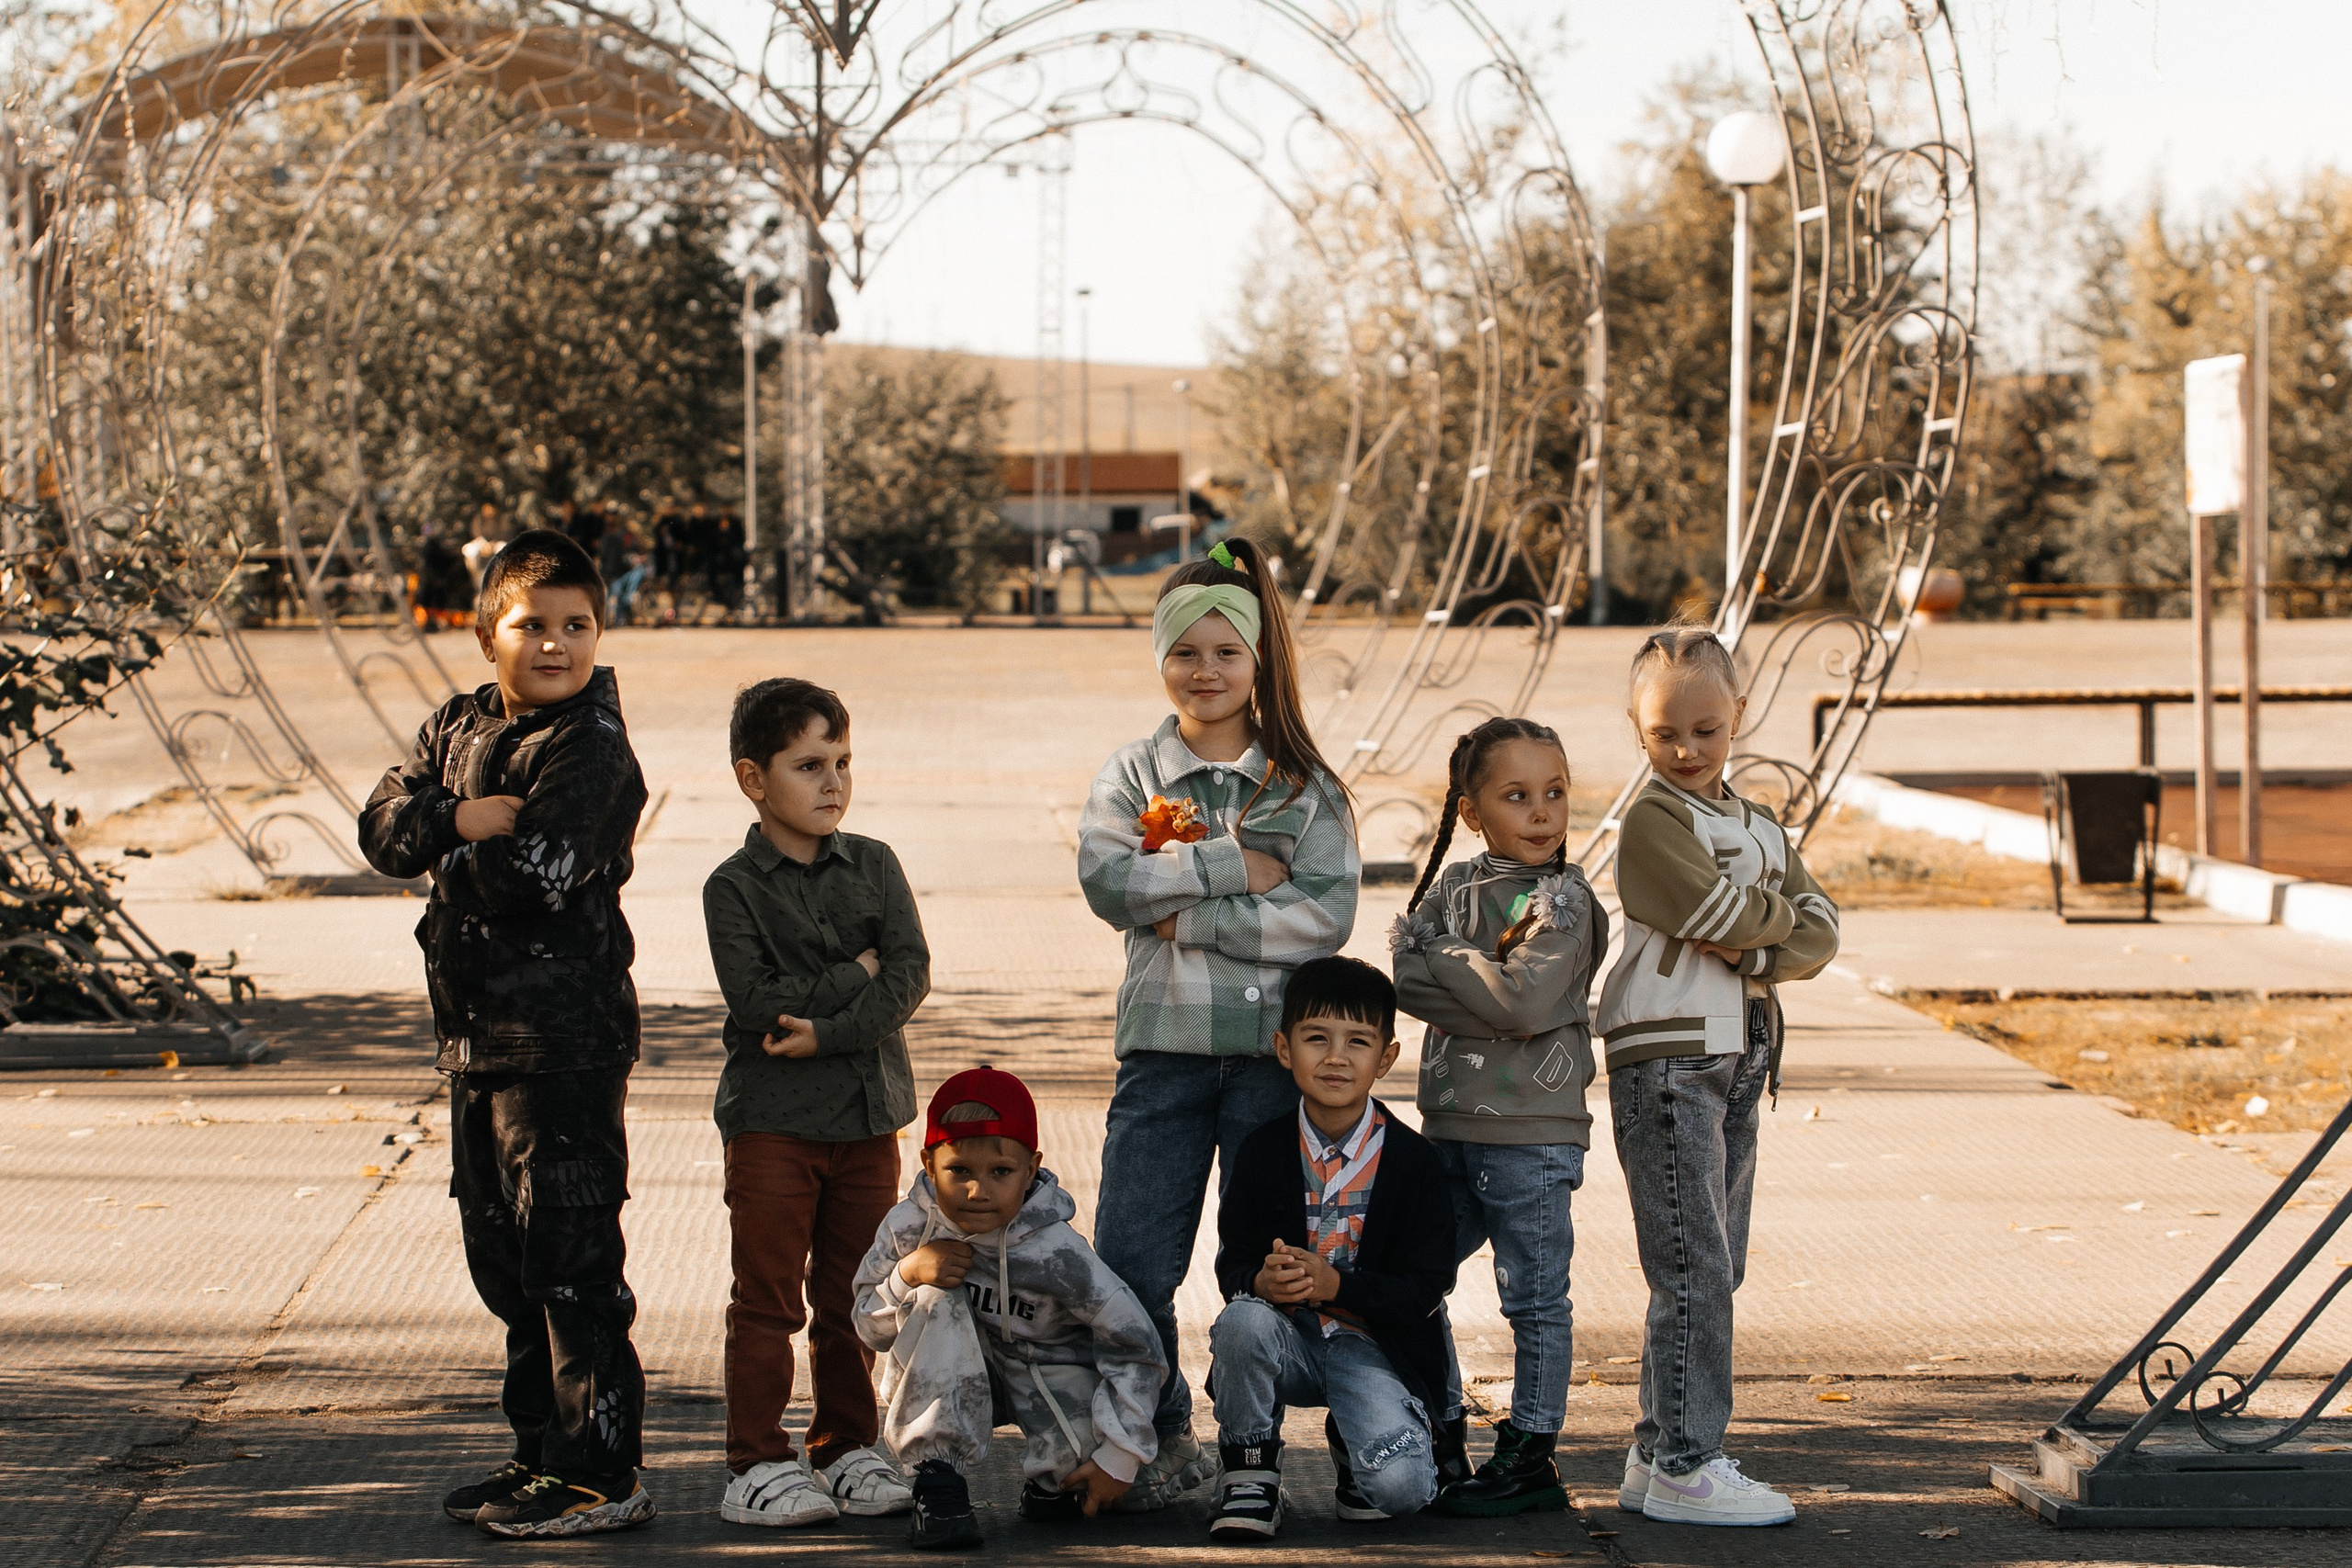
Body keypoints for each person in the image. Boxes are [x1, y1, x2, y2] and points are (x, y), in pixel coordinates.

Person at [356, 529, 653, 1539]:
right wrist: (457, 819)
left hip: (562, 1046)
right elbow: (380, 826)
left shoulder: (594, 747)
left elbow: (543, 872)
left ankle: (599, 1474)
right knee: (506, 1261)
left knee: (571, 1263)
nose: (558, 644)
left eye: (579, 625)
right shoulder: (456, 723)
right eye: (534, 625)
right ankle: (538, 1456)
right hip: (477, 1040)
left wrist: (456, 842)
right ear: (490, 631)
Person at [1075, 536, 1361, 1508]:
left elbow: (1322, 919)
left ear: (1256, 663)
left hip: (1270, 1067)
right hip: (1163, 1057)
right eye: (1184, 651)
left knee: (1263, 1262)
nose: (1204, 671)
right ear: (1160, 657)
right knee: (1129, 1258)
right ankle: (1154, 1441)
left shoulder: (1302, 787)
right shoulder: (1131, 774)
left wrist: (1180, 909)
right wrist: (1235, 868)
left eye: (1224, 652)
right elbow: (1110, 881)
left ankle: (1252, 1447)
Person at [1596, 616, 1840, 1527]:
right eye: (1663, 733)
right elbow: (1696, 902)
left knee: (1714, 1265)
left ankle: (1656, 1448)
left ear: (1737, 713)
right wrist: (1769, 923)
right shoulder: (1653, 817)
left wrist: (1753, 942)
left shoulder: (1756, 822)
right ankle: (1689, 1464)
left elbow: (1820, 930)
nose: (1686, 748)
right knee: (1693, 1266)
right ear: (1637, 728)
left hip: (1739, 1056)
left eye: (1704, 729)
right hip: (1667, 1056)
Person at [703, 677, 933, 1528]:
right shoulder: (731, 887)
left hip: (870, 1120)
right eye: (808, 764)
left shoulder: (875, 862)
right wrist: (856, 975)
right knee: (766, 1297)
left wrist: (834, 1023)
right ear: (753, 778)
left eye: (842, 761)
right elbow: (761, 1003)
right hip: (773, 1123)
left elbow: (908, 971)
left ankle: (845, 1446)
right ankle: (755, 1460)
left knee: (856, 1295)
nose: (833, 781)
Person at [1390, 716, 1609, 1516]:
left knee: (1534, 1295)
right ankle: (1439, 1421)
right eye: (1517, 796)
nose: (1543, 811)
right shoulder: (1450, 888)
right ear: (1473, 810)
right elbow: (1404, 989)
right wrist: (1486, 988)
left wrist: (1451, 959)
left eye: (1555, 791)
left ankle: (1529, 1449)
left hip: (1533, 1135)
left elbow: (1521, 1001)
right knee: (1414, 1280)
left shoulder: (1566, 898)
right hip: (1447, 1127)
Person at [853, 1066, 1165, 1551]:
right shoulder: (909, 1227)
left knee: (1094, 1474)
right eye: (959, 1171)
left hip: (1045, 1371)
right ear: (929, 1164)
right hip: (947, 1373)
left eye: (1001, 1172)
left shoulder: (1058, 1253)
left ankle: (1052, 1481)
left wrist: (1122, 1456)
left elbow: (1137, 1345)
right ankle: (938, 1482)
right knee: (936, 1295)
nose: (979, 1191)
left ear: (1031, 1167)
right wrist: (908, 1274)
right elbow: (867, 1325)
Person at [1204, 956, 1457, 1540]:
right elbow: (1232, 1263)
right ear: (1285, 1049)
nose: (1336, 1058)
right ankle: (1250, 1470)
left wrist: (1338, 1285)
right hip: (1286, 1340)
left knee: (1401, 1492)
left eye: (1358, 1042)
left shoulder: (1414, 1161)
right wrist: (1258, 1282)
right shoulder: (1264, 1150)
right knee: (1242, 1320)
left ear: (1386, 1057)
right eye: (1316, 1038)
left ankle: (1356, 1446)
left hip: (1372, 1346)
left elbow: (1427, 1285)